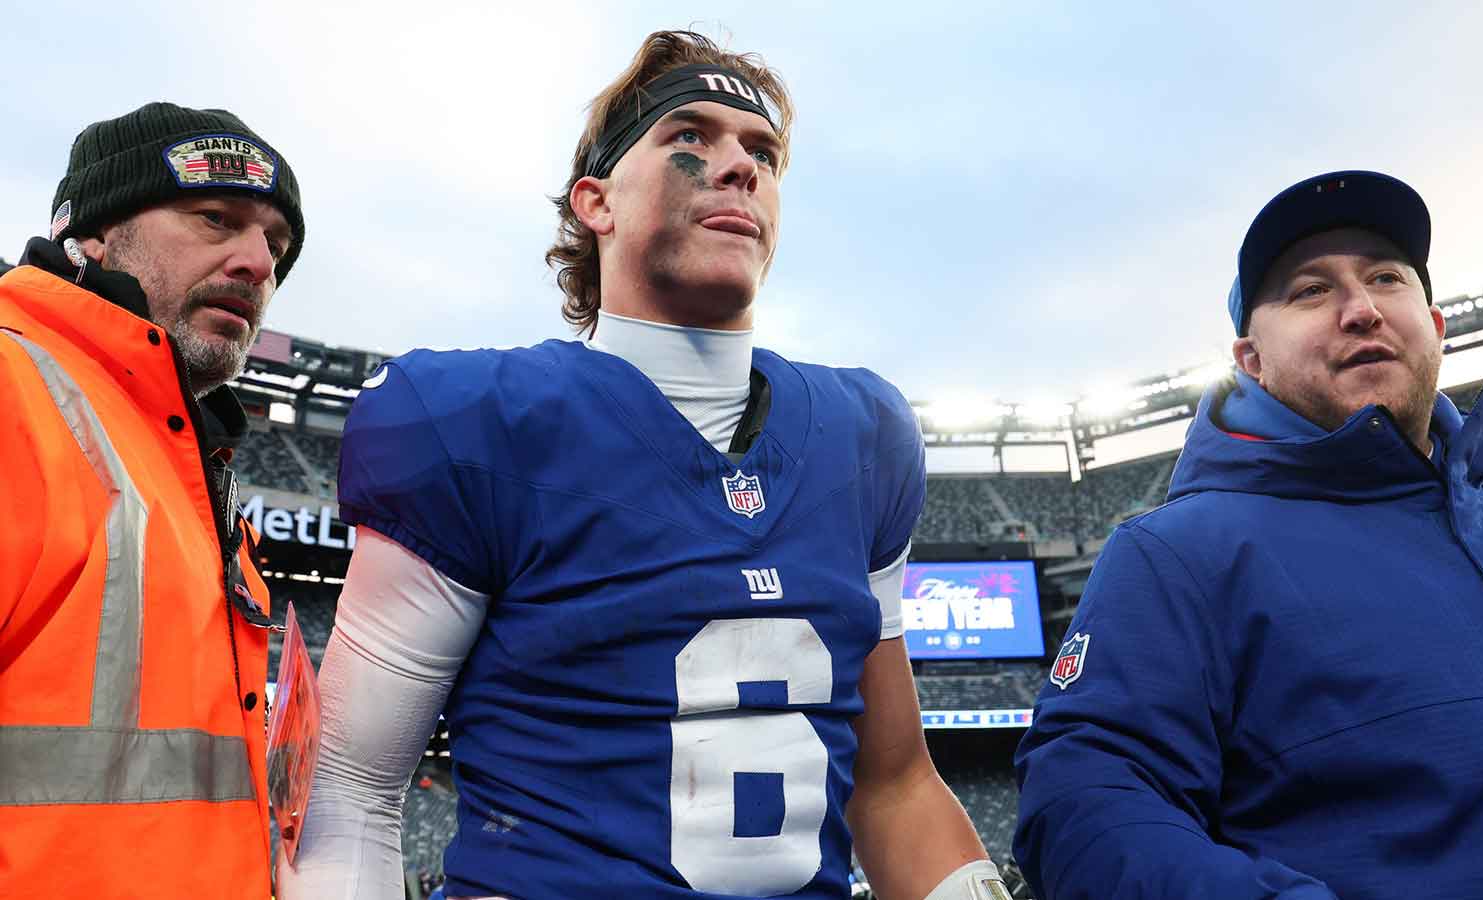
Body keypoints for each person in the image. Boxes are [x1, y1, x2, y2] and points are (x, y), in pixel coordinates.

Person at [278, 29, 1009, 900]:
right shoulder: (479, 422)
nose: (740, 167)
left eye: (763, 152)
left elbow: (895, 787)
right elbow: (351, 794)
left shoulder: (864, 436)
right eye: (689, 139)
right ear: (597, 202)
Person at [1012, 170, 1483, 899]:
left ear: (1436, 324)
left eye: (1386, 277)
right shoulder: (1179, 554)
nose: (1361, 310)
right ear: (1250, 361)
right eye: (1310, 290)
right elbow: (1084, 805)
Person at [0, 102, 304, 896]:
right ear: (95, 232)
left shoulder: (191, 469)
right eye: (216, 218)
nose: (257, 263)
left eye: (275, 244)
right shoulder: (12, 389)